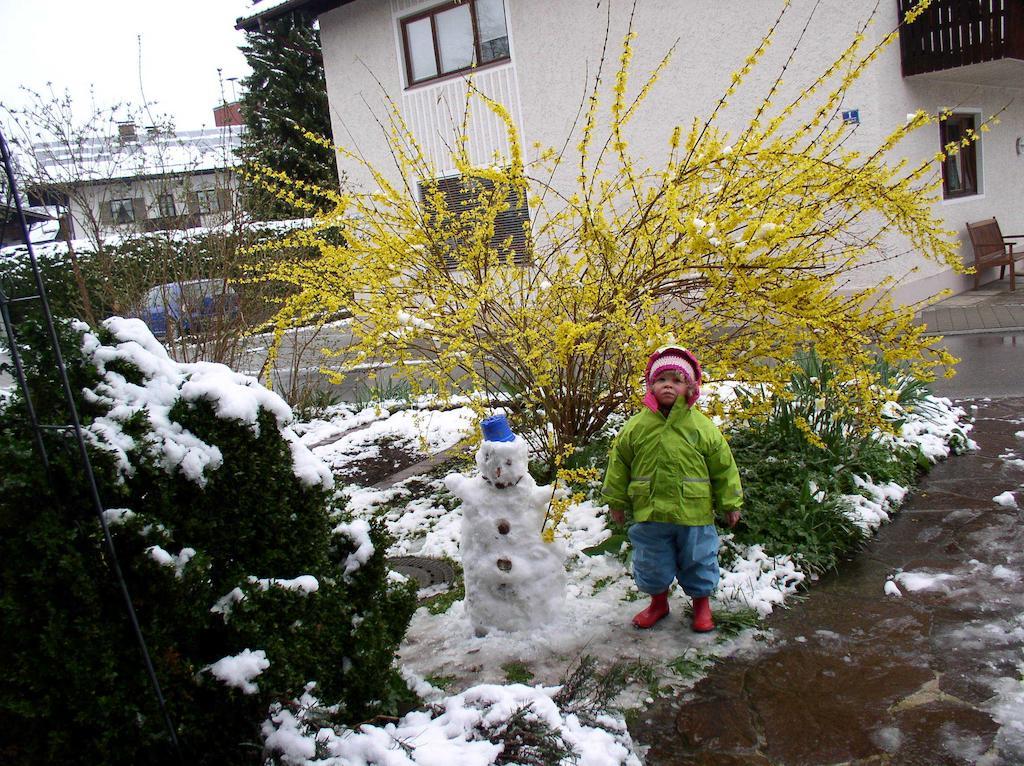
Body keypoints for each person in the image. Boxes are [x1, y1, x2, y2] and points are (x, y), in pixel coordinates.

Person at [601, 346, 742, 632]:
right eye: (661, 379)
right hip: (650, 511)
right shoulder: (636, 427)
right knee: (652, 561)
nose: (668, 385)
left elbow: (723, 466)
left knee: (699, 558)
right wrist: (615, 500)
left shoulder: (701, 427)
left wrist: (730, 503)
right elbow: (619, 465)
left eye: (677, 381)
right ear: (651, 385)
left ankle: (702, 606)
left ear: (689, 387)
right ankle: (658, 603)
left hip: (694, 512)